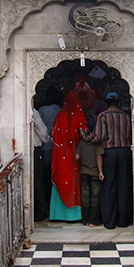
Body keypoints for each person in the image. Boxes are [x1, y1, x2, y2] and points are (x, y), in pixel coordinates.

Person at [80, 92, 133, 229]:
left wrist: (85, 137)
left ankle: (110, 221)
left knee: (109, 186)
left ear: (106, 104)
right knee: (124, 186)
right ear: (119, 103)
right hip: (124, 152)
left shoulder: (103, 116)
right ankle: (123, 220)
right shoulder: (126, 116)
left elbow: (98, 137)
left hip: (109, 152)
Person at [50, 93, 87, 221]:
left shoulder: (60, 116)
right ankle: (76, 215)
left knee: (62, 178)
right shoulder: (79, 116)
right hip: (76, 157)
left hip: (62, 156)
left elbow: (53, 133)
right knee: (75, 182)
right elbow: (85, 135)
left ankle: (59, 214)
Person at [75, 101, 106, 227]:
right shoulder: (97, 142)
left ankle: (85, 220)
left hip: (84, 172)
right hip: (94, 173)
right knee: (95, 197)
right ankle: (93, 221)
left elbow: (76, 156)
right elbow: (99, 157)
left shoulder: (82, 143)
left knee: (85, 196)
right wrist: (100, 172)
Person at [36, 87, 63, 221]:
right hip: (58, 145)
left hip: (46, 146)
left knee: (45, 175)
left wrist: (44, 141)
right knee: (55, 173)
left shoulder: (41, 110)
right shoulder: (58, 108)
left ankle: (46, 206)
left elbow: (39, 128)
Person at [32, 108, 50, 221]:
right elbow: (42, 131)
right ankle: (40, 211)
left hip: (26, 150)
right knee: (38, 181)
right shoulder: (33, 112)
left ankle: (38, 210)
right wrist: (45, 140)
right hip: (35, 149)